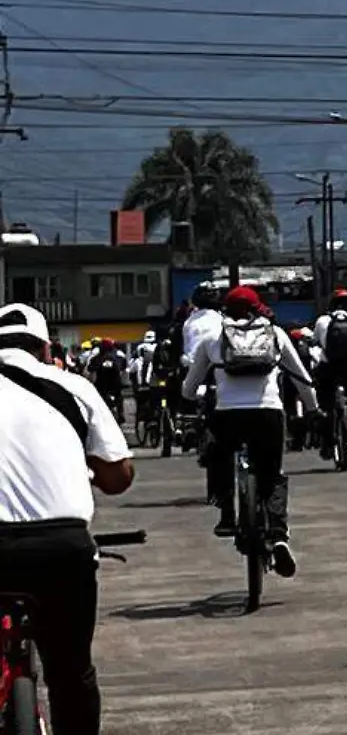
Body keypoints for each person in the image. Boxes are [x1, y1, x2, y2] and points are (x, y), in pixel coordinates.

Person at [0, 303, 134, 735]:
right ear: (45, 348)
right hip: (62, 548)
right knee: (71, 672)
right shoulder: (72, 386)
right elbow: (118, 477)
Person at [184, 287, 316, 574]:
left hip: (228, 415)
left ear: (225, 311)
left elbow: (189, 388)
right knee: (273, 477)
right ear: (258, 308)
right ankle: (279, 536)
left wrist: (195, 395)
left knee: (218, 455)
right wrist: (313, 408)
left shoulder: (212, 338)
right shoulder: (276, 334)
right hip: (268, 413)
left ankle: (227, 515)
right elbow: (302, 379)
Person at [311, 289, 347, 460]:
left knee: (325, 404)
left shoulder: (323, 321)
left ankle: (327, 438)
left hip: (328, 369)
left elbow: (315, 342)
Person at [85, 338, 129, 424]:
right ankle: (121, 413)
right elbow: (124, 367)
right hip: (116, 385)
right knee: (119, 396)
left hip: (102, 386)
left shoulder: (97, 358)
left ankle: (97, 418)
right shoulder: (118, 357)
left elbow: (90, 369)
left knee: (98, 401)